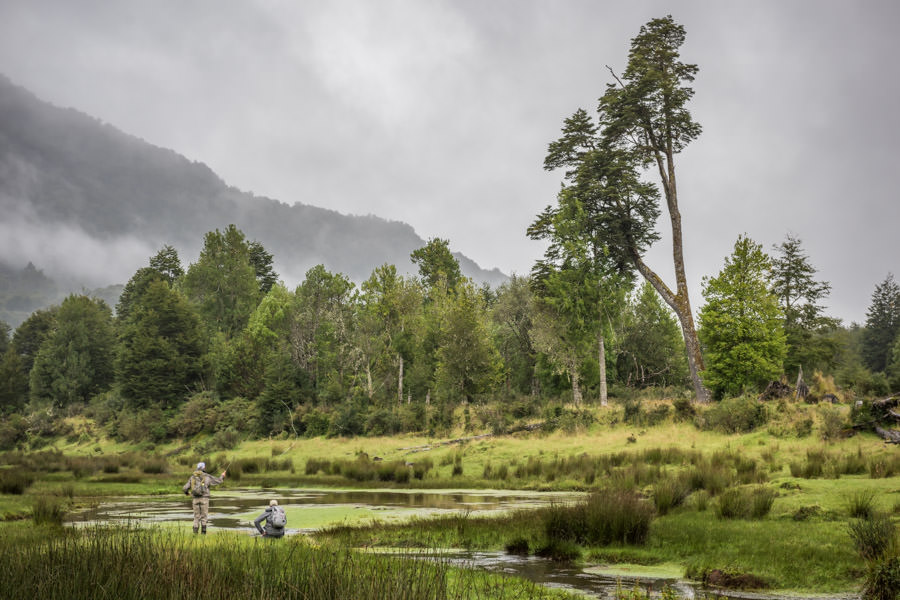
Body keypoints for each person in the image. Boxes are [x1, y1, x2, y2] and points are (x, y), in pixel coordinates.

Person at [182, 461, 226, 534]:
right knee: (204, 517)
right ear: (204, 467)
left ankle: (195, 535)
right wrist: (222, 476)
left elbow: (184, 488)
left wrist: (187, 493)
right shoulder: (207, 476)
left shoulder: (192, 477)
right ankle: (203, 534)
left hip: (195, 499)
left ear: (197, 468)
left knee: (196, 517)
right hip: (204, 499)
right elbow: (218, 481)